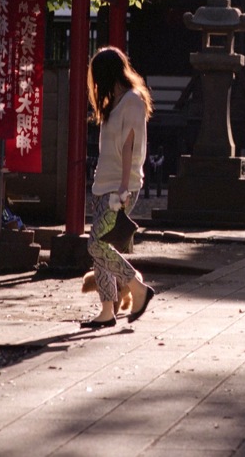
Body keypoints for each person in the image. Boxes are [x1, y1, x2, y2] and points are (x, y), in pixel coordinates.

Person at [81, 47, 156, 329]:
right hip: (105, 185)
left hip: (120, 187)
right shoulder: (117, 101)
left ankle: (137, 287)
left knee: (96, 245)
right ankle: (106, 310)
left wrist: (124, 190)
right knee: (102, 248)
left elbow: (130, 146)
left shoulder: (133, 101)